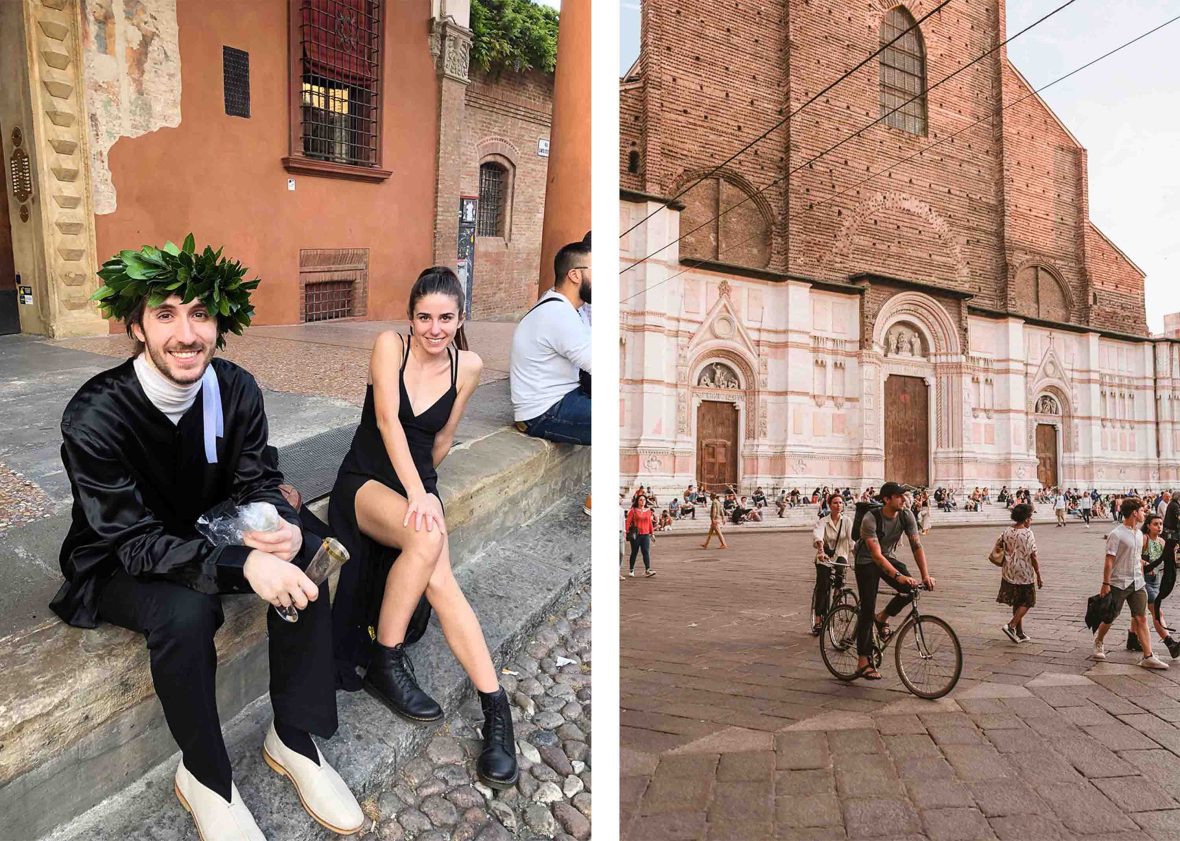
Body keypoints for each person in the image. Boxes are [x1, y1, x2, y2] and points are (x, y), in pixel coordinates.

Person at [53, 241, 364, 839]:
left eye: (200, 313)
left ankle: (293, 736)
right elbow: (136, 544)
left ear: (221, 323)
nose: (186, 333)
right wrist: (242, 567)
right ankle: (206, 777)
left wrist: (273, 523)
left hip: (210, 529)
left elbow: (259, 478)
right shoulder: (95, 415)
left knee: (309, 547)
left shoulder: (236, 387)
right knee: (186, 612)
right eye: (165, 314)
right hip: (119, 556)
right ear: (136, 327)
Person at [329, 267, 518, 790]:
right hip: (366, 481)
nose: (433, 329)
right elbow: (388, 421)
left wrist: (426, 491)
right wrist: (418, 496)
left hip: (417, 486)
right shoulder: (390, 345)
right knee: (429, 538)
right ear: (410, 316)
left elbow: (443, 439)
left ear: (461, 319)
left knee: (441, 579)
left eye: (445, 318)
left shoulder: (469, 365)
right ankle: (387, 663)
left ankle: (495, 710)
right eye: (423, 317)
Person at [509, 240, 591, 445]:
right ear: (575, 275)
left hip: (561, 398)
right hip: (543, 412)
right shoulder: (558, 314)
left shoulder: (565, 306)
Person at [853, 482, 934, 680]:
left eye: (904, 496)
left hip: (887, 557)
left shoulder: (906, 515)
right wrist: (898, 576)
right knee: (867, 607)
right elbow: (876, 556)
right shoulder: (870, 519)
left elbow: (916, 545)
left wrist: (924, 575)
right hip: (866, 561)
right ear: (887, 499)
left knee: (911, 589)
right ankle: (863, 660)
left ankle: (882, 618)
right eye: (899, 496)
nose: (904, 499)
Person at [1092, 498, 1168, 669]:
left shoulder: (1140, 534)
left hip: (1138, 582)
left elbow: (1136, 557)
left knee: (1141, 617)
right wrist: (1105, 583)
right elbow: (1109, 561)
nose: (1144, 513)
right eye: (1142, 510)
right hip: (1119, 581)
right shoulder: (1116, 534)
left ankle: (1148, 655)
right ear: (1134, 512)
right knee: (1111, 616)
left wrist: (1144, 567)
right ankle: (1099, 641)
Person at [1134, 513, 1180, 657]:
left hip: (1157, 580)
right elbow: (1134, 557)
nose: (1159, 527)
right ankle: (1170, 643)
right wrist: (1145, 563)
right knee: (1157, 612)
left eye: (1160, 524)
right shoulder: (1144, 539)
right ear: (1148, 525)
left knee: (1139, 611)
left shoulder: (1162, 541)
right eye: (1155, 524)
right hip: (1144, 580)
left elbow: (1166, 561)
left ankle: (1131, 637)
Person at [997, 503, 1043, 643]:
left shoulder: (1007, 531)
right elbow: (1033, 556)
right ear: (1026, 519)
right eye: (1030, 517)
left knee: (1017, 601)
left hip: (1009, 571)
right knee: (1028, 601)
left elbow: (999, 544)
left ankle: (1020, 632)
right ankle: (1011, 626)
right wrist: (1039, 574)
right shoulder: (1028, 533)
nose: (1031, 520)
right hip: (1024, 572)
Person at [811, 493, 854, 636]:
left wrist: (857, 558)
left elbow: (851, 541)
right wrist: (821, 551)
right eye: (835, 503)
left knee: (841, 567)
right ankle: (818, 620)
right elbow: (818, 536)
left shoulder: (847, 521)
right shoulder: (823, 521)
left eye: (841, 503)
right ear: (830, 505)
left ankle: (837, 592)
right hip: (824, 557)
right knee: (822, 586)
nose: (838, 505)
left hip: (840, 554)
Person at [626, 494, 656, 577]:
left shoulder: (648, 510)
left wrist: (652, 533)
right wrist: (626, 532)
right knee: (634, 552)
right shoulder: (633, 510)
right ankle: (631, 569)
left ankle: (647, 570)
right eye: (640, 500)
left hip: (645, 534)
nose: (643, 501)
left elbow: (650, 523)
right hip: (636, 535)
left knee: (646, 552)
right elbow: (628, 522)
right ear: (637, 501)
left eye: (644, 500)